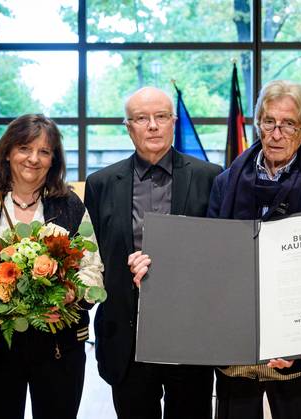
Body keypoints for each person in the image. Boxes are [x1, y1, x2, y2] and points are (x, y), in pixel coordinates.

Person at [0, 114, 104, 419]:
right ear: (7, 152)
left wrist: (68, 294)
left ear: (53, 160)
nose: (34, 159)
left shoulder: (70, 206)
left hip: (59, 344)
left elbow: (92, 269)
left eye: (44, 152)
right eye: (24, 148)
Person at [207, 79, 301, 419]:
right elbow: (211, 264)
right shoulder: (225, 184)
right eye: (269, 121)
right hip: (235, 353)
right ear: (258, 125)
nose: (276, 133)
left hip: (297, 359)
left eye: (289, 124)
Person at [85, 86, 222, 419]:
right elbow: (90, 257)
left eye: (161, 116)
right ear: (128, 126)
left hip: (189, 335)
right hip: (125, 336)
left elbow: (221, 255)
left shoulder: (211, 177)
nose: (153, 126)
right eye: (142, 118)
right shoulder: (101, 183)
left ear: (173, 122)